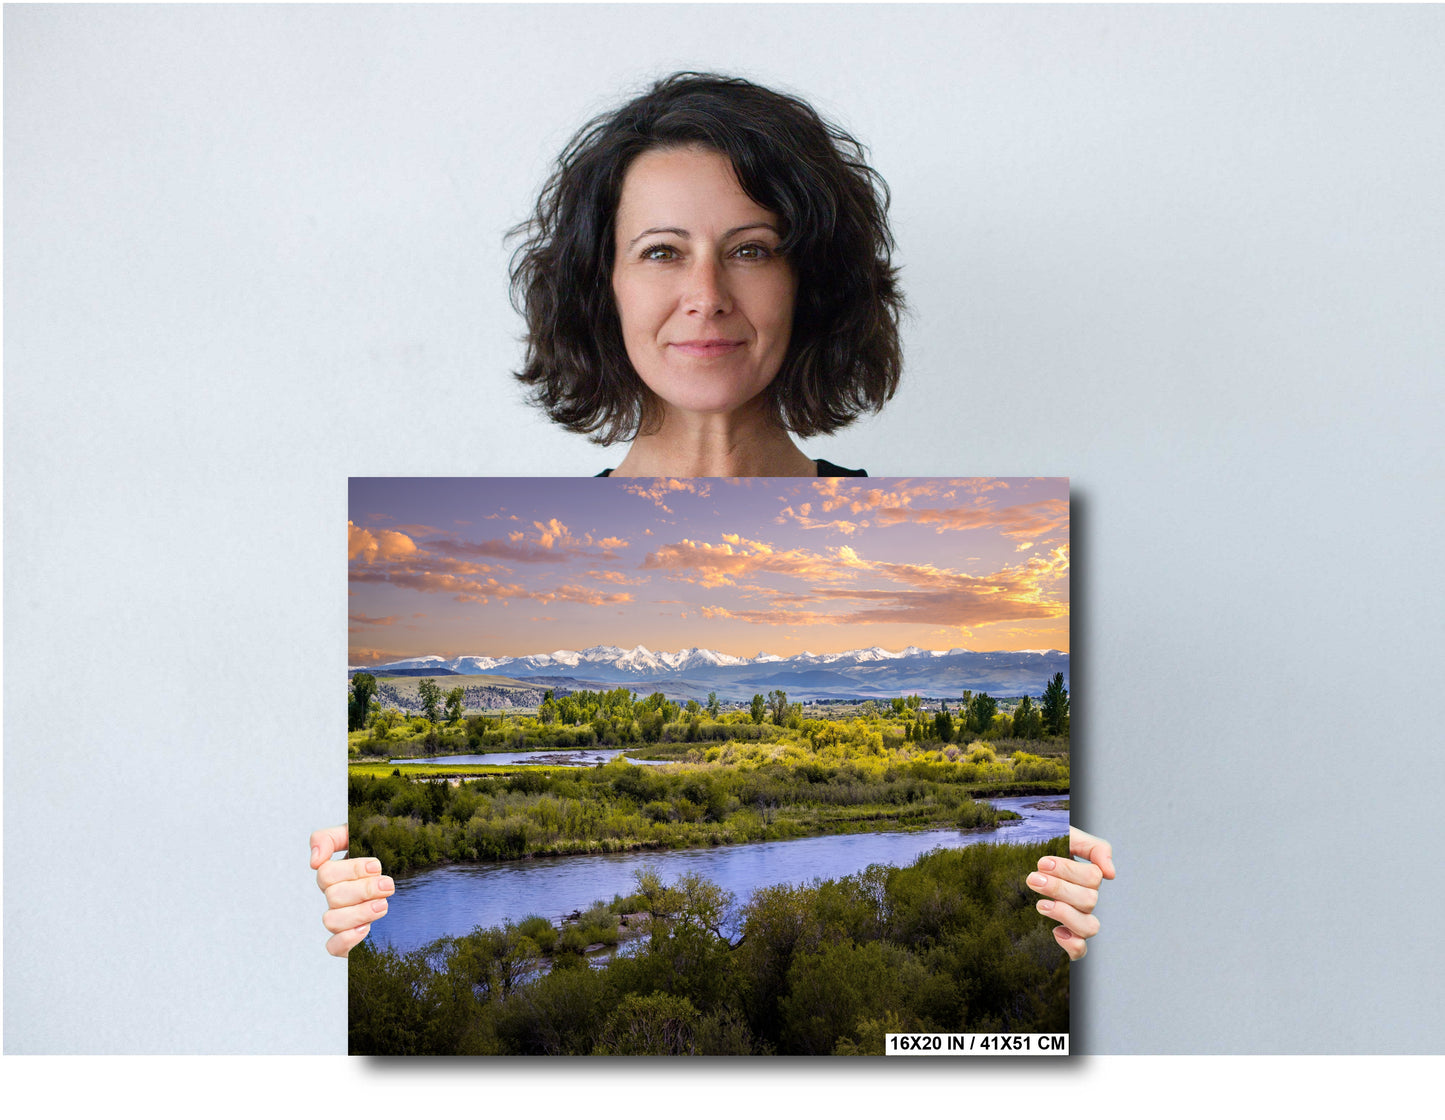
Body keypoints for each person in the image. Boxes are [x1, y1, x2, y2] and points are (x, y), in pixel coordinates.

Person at [315, 72, 1114, 960]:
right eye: (661, 251)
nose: (707, 294)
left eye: (751, 249)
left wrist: (1054, 928)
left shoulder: (1002, 554)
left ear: (810, 283)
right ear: (602, 285)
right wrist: (358, 913)